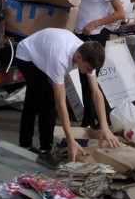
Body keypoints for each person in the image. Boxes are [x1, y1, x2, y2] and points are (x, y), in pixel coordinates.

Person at [15, 28, 121, 169]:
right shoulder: (60, 59)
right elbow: (60, 103)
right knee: (48, 100)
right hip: (26, 56)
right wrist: (70, 140)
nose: (89, 72)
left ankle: (25, 144)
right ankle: (46, 149)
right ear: (78, 57)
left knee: (34, 97)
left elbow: (96, 92)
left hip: (43, 49)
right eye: (88, 69)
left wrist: (104, 127)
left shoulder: (90, 54)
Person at [74, 0, 125, 128]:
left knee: (92, 80)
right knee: (83, 79)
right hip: (80, 33)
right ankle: (93, 118)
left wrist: (96, 23)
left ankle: (96, 119)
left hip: (94, 37)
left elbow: (120, 13)